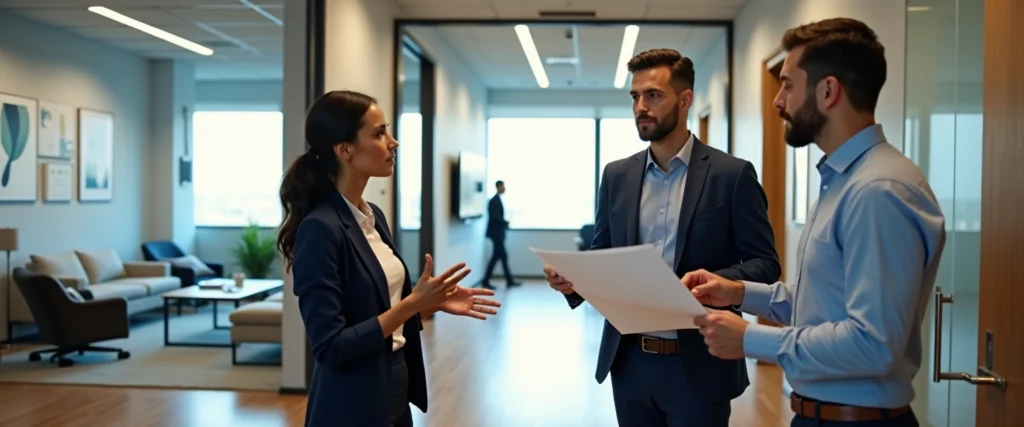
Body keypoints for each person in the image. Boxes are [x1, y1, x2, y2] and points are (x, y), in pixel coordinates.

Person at [684, 18, 945, 427]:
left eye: (788, 85)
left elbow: (874, 343)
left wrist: (751, 339)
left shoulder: (877, 190)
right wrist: (737, 292)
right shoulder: (844, 180)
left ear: (828, 91)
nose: (778, 101)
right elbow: (822, 303)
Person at [543, 48, 781, 427]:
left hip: (701, 362)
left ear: (685, 101)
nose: (641, 107)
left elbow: (765, 264)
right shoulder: (617, 175)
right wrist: (575, 281)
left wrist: (715, 282)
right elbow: (602, 252)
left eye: (653, 95)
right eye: (635, 96)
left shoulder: (731, 175)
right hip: (629, 362)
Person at [277, 90, 502, 427]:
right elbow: (331, 347)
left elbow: (375, 314)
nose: (393, 143)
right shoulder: (320, 229)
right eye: (380, 133)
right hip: (350, 403)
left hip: (393, 384)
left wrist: (428, 304)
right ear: (344, 149)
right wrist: (412, 304)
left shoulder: (373, 216)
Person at [482, 180, 519, 289]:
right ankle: (487, 280)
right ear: (498, 187)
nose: (504, 188)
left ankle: (508, 280)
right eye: (503, 186)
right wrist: (505, 222)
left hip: (498, 234)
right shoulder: (494, 200)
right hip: (496, 234)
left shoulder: (497, 199)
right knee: (500, 256)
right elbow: (495, 217)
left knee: (501, 257)